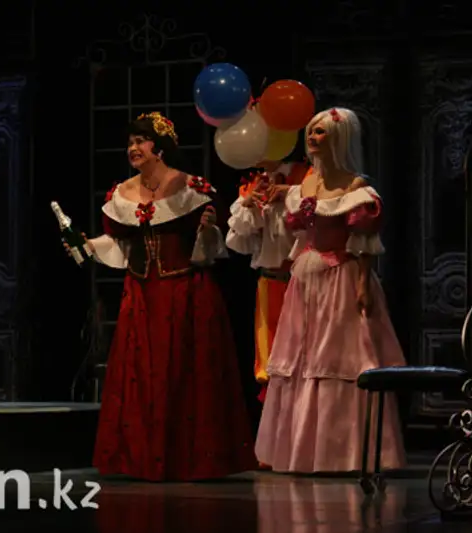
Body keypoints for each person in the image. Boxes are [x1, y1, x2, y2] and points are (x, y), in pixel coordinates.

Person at [69, 111, 257, 481]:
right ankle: (140, 458)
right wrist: (86, 245)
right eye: (130, 142)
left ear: (161, 147)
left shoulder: (190, 187)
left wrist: (206, 230)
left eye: (141, 141)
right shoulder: (122, 193)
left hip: (186, 291)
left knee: (185, 373)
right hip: (141, 293)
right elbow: (121, 242)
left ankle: (189, 459)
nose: (133, 147)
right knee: (142, 374)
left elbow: (212, 244)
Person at [254, 107, 406, 473]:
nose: (312, 137)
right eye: (311, 131)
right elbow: (299, 231)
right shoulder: (307, 185)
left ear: (339, 138)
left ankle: (343, 453)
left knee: (338, 362)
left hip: (341, 279)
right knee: (301, 362)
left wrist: (363, 286)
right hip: (306, 281)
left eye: (320, 132)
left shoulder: (356, 189)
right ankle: (302, 452)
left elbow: (364, 244)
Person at [225, 157, 311, 404]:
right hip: (269, 282)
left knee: (304, 356)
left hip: (302, 281)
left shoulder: (306, 177)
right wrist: (249, 204)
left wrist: (290, 193)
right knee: (270, 360)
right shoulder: (253, 184)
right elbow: (239, 239)